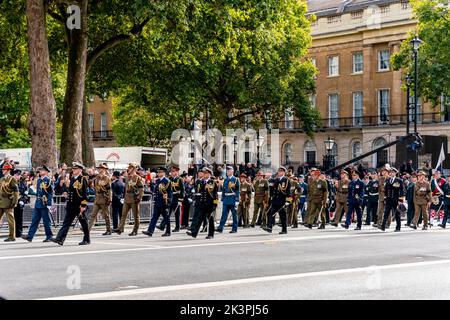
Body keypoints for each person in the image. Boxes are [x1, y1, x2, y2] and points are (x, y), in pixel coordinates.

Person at [50, 162, 90, 245]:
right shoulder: (72, 179)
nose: (73, 170)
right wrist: (67, 203)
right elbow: (70, 192)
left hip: (79, 205)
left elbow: (85, 194)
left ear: (80, 170)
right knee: (66, 223)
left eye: (75, 169)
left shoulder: (83, 179)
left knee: (83, 222)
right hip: (71, 205)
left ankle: (87, 239)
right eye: (73, 169)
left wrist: (83, 205)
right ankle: (60, 238)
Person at [22, 166, 53, 242]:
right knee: (34, 220)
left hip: (44, 203)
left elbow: (50, 193)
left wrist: (49, 204)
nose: (41, 171)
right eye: (40, 170)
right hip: (38, 202)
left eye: (42, 170)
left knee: (46, 221)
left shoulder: (48, 180)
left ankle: (49, 236)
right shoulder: (39, 180)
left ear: (46, 172)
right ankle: (30, 236)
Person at [187, 167, 218, 239]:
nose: (204, 174)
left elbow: (215, 195)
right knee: (199, 218)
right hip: (202, 204)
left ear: (209, 174)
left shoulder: (213, 182)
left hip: (210, 204)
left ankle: (211, 234)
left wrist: (215, 204)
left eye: (206, 173)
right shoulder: (201, 182)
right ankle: (194, 233)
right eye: (203, 173)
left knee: (210, 220)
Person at [114, 163, 144, 236]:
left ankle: (135, 230)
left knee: (135, 215)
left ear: (134, 169)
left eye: (130, 168)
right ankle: (120, 229)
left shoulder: (138, 178)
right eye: (129, 168)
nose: (128, 169)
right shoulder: (127, 178)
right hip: (127, 198)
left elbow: (141, 189)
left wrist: (139, 198)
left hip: (134, 198)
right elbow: (126, 188)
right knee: (123, 214)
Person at [143, 166, 172, 237]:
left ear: (163, 173)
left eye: (160, 172)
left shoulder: (167, 181)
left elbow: (169, 192)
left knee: (166, 218)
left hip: (164, 202)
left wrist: (168, 202)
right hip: (158, 202)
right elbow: (156, 190)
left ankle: (168, 231)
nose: (158, 174)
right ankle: (150, 231)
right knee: (154, 217)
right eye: (158, 172)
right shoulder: (158, 181)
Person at [263, 166, 292, 234]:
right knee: (271, 214)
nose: (279, 173)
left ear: (284, 172)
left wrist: (288, 201)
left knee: (282, 216)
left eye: (281, 171)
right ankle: (269, 227)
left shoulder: (286, 180)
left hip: (282, 201)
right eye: (279, 171)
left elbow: (288, 191)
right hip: (275, 200)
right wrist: (271, 198)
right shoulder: (276, 180)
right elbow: (273, 190)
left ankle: (284, 230)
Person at [88, 163, 112, 235]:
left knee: (106, 215)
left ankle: (108, 229)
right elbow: (93, 186)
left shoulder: (107, 178)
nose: (99, 169)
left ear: (104, 169)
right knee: (93, 215)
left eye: (101, 168)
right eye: (99, 168)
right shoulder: (96, 178)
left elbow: (109, 189)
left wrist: (110, 198)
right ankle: (87, 230)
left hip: (104, 198)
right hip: (97, 198)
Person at [379, 168, 405, 232]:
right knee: (386, 213)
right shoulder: (388, 180)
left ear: (395, 173)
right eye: (390, 172)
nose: (391, 173)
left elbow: (402, 191)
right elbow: (386, 190)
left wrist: (400, 200)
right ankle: (383, 226)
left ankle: (398, 227)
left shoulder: (399, 180)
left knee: (397, 214)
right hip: (389, 199)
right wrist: (385, 198)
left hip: (396, 200)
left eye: (393, 172)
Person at [216, 166, 240, 233]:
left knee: (234, 215)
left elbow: (237, 190)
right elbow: (224, 189)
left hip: (232, 199)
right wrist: (222, 198)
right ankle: (220, 228)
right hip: (226, 199)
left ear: (232, 171)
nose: (227, 172)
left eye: (229, 171)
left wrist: (237, 200)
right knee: (224, 214)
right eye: (227, 171)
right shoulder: (226, 180)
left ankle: (234, 229)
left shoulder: (236, 179)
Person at [0, 162, 19, 241]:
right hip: (1, 202)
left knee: (10, 220)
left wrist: (14, 202)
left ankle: (12, 236)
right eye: (2, 169)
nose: (2, 170)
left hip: (8, 202)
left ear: (8, 170)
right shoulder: (1, 179)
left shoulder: (12, 179)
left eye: (4, 169)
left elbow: (16, 191)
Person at [13, 169, 28, 237]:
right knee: (12, 219)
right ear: (14, 175)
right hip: (12, 203)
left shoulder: (22, 183)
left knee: (19, 218)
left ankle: (19, 233)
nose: (18, 176)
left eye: (19, 175)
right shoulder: (11, 182)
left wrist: (23, 201)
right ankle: (12, 233)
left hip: (20, 203)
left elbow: (25, 194)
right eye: (17, 175)